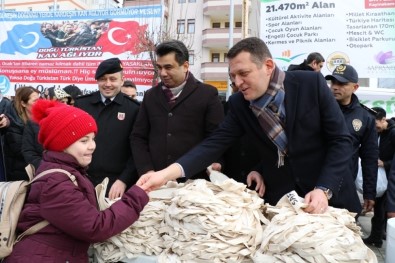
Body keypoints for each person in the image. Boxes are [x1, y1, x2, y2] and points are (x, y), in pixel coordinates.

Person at [137, 37, 359, 215]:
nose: (238, 83)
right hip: (284, 201)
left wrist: (323, 189)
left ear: (268, 66)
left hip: (330, 195)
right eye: (233, 76)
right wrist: (165, 175)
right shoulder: (239, 103)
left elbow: (341, 140)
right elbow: (213, 144)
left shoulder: (310, 84)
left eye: (244, 73)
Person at [3, 100, 148, 262]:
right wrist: (137, 195)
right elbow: (96, 227)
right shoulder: (56, 182)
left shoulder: (67, 172)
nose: (92, 146)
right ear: (61, 144)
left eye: (93, 139)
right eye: (84, 140)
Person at [131, 40, 224, 179]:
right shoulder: (151, 96)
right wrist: (147, 170)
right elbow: (138, 136)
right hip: (156, 180)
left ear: (185, 66)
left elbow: (217, 137)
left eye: (168, 67)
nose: (162, 73)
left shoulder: (207, 94)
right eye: (159, 67)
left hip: (195, 181)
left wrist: (217, 162)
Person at [74, 57, 140, 199]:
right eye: (103, 79)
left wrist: (124, 180)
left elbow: (137, 150)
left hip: (117, 185)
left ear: (122, 81)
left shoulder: (134, 109)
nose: (107, 84)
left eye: (113, 79)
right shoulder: (82, 105)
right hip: (84, 179)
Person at [325, 64, 378, 214]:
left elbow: (370, 158)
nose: (335, 87)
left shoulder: (365, 117)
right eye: (333, 82)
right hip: (314, 183)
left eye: (342, 83)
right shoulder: (319, 108)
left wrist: (369, 193)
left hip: (344, 186)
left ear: (355, 87)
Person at [363, 107, 395, 247]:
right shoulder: (377, 133)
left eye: (376, 125)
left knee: (384, 209)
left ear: (383, 120)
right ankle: (378, 235)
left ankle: (380, 236)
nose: (374, 129)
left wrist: (385, 163)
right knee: (378, 208)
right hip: (380, 178)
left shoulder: (393, 133)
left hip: (390, 177)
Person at [3, 86, 40, 181]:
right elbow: (22, 151)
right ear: (23, 103)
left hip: (36, 171)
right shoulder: (13, 123)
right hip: (21, 175)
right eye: (35, 101)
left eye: (39, 99)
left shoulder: (41, 118)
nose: (39, 103)